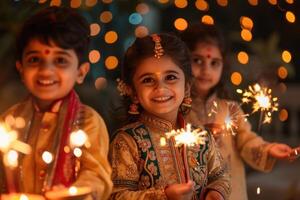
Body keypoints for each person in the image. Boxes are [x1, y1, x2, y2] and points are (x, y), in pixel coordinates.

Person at [0, 6, 112, 200]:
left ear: (81, 72)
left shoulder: (88, 121)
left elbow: (97, 176)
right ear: (20, 68)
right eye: (35, 59)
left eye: (60, 60)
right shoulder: (9, 121)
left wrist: (73, 194)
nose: (46, 71)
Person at [181, 23, 296, 200]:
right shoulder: (176, 112)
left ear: (223, 66)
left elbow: (247, 142)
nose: (206, 70)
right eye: (197, 60)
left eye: (214, 63)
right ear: (183, 62)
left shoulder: (231, 109)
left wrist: (269, 149)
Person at [109, 33, 231, 200]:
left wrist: (216, 193)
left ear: (187, 87)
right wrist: (163, 196)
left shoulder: (202, 137)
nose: (160, 88)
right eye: (147, 80)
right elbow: (116, 196)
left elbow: (220, 176)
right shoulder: (127, 142)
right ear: (133, 92)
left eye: (171, 77)